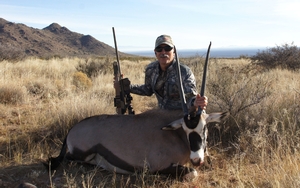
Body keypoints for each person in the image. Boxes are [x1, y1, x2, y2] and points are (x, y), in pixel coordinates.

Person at [115, 34, 208, 111]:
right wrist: (127, 87)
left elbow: (191, 97)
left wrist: (196, 102)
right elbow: (148, 90)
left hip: (181, 117)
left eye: (167, 48)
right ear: (155, 52)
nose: (163, 52)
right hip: (161, 116)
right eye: (159, 49)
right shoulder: (151, 69)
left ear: (174, 51)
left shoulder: (184, 72)